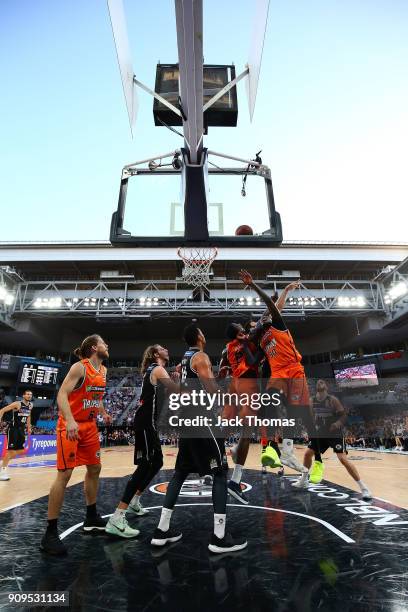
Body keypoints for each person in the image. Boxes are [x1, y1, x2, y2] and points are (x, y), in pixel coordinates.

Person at [151, 323, 247, 554]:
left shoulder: (186, 357)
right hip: (201, 418)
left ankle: (162, 530)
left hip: (186, 419)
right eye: (203, 332)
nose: (205, 334)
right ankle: (219, 537)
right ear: (199, 337)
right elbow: (211, 389)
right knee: (220, 473)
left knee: (180, 473)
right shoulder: (201, 355)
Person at [40, 334, 112, 555]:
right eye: (103, 343)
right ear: (93, 348)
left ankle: (91, 517)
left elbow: (95, 396)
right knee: (65, 474)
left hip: (89, 426)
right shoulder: (79, 368)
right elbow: (62, 394)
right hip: (70, 425)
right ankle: (50, 534)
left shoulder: (104, 371)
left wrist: (103, 412)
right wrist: (70, 420)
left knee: (95, 468)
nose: (107, 345)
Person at [106, 344, 180, 538]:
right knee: (145, 465)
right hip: (145, 423)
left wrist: (175, 376)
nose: (167, 349)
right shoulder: (157, 368)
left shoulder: (154, 370)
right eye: (163, 348)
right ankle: (117, 517)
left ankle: (134, 501)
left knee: (157, 462)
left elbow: (166, 391)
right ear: (156, 354)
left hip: (148, 423)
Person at [239, 270, 309, 475]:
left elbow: (273, 308)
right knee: (269, 408)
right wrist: (242, 345)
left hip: (294, 369)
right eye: (252, 326)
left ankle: (286, 451)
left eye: (257, 322)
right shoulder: (259, 339)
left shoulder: (275, 325)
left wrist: (256, 286)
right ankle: (270, 448)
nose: (257, 323)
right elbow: (252, 359)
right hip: (278, 373)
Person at [292, 380, 372, 499]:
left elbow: (344, 415)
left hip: (335, 433)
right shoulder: (312, 401)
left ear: (326, 387)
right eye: (318, 382)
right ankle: (304, 480)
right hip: (321, 433)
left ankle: (364, 488)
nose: (319, 382)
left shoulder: (332, 400)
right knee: (307, 454)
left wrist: (337, 423)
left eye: (322, 382)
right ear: (316, 388)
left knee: (343, 459)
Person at [220, 322, 262, 503]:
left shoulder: (227, 348)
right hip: (248, 384)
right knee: (247, 433)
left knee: (225, 426)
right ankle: (235, 482)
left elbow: (223, 364)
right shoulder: (249, 341)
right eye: (242, 329)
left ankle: (214, 461)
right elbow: (253, 360)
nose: (247, 331)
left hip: (234, 383)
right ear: (238, 335)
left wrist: (225, 369)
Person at [0, 389, 33, 481]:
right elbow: (2, 410)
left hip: (21, 430)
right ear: (23, 395)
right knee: (10, 452)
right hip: (13, 429)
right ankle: (2, 471)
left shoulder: (31, 405)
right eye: (27, 394)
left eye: (30, 394)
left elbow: (29, 415)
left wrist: (29, 427)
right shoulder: (17, 404)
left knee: (21, 450)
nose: (29, 396)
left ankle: (4, 463)